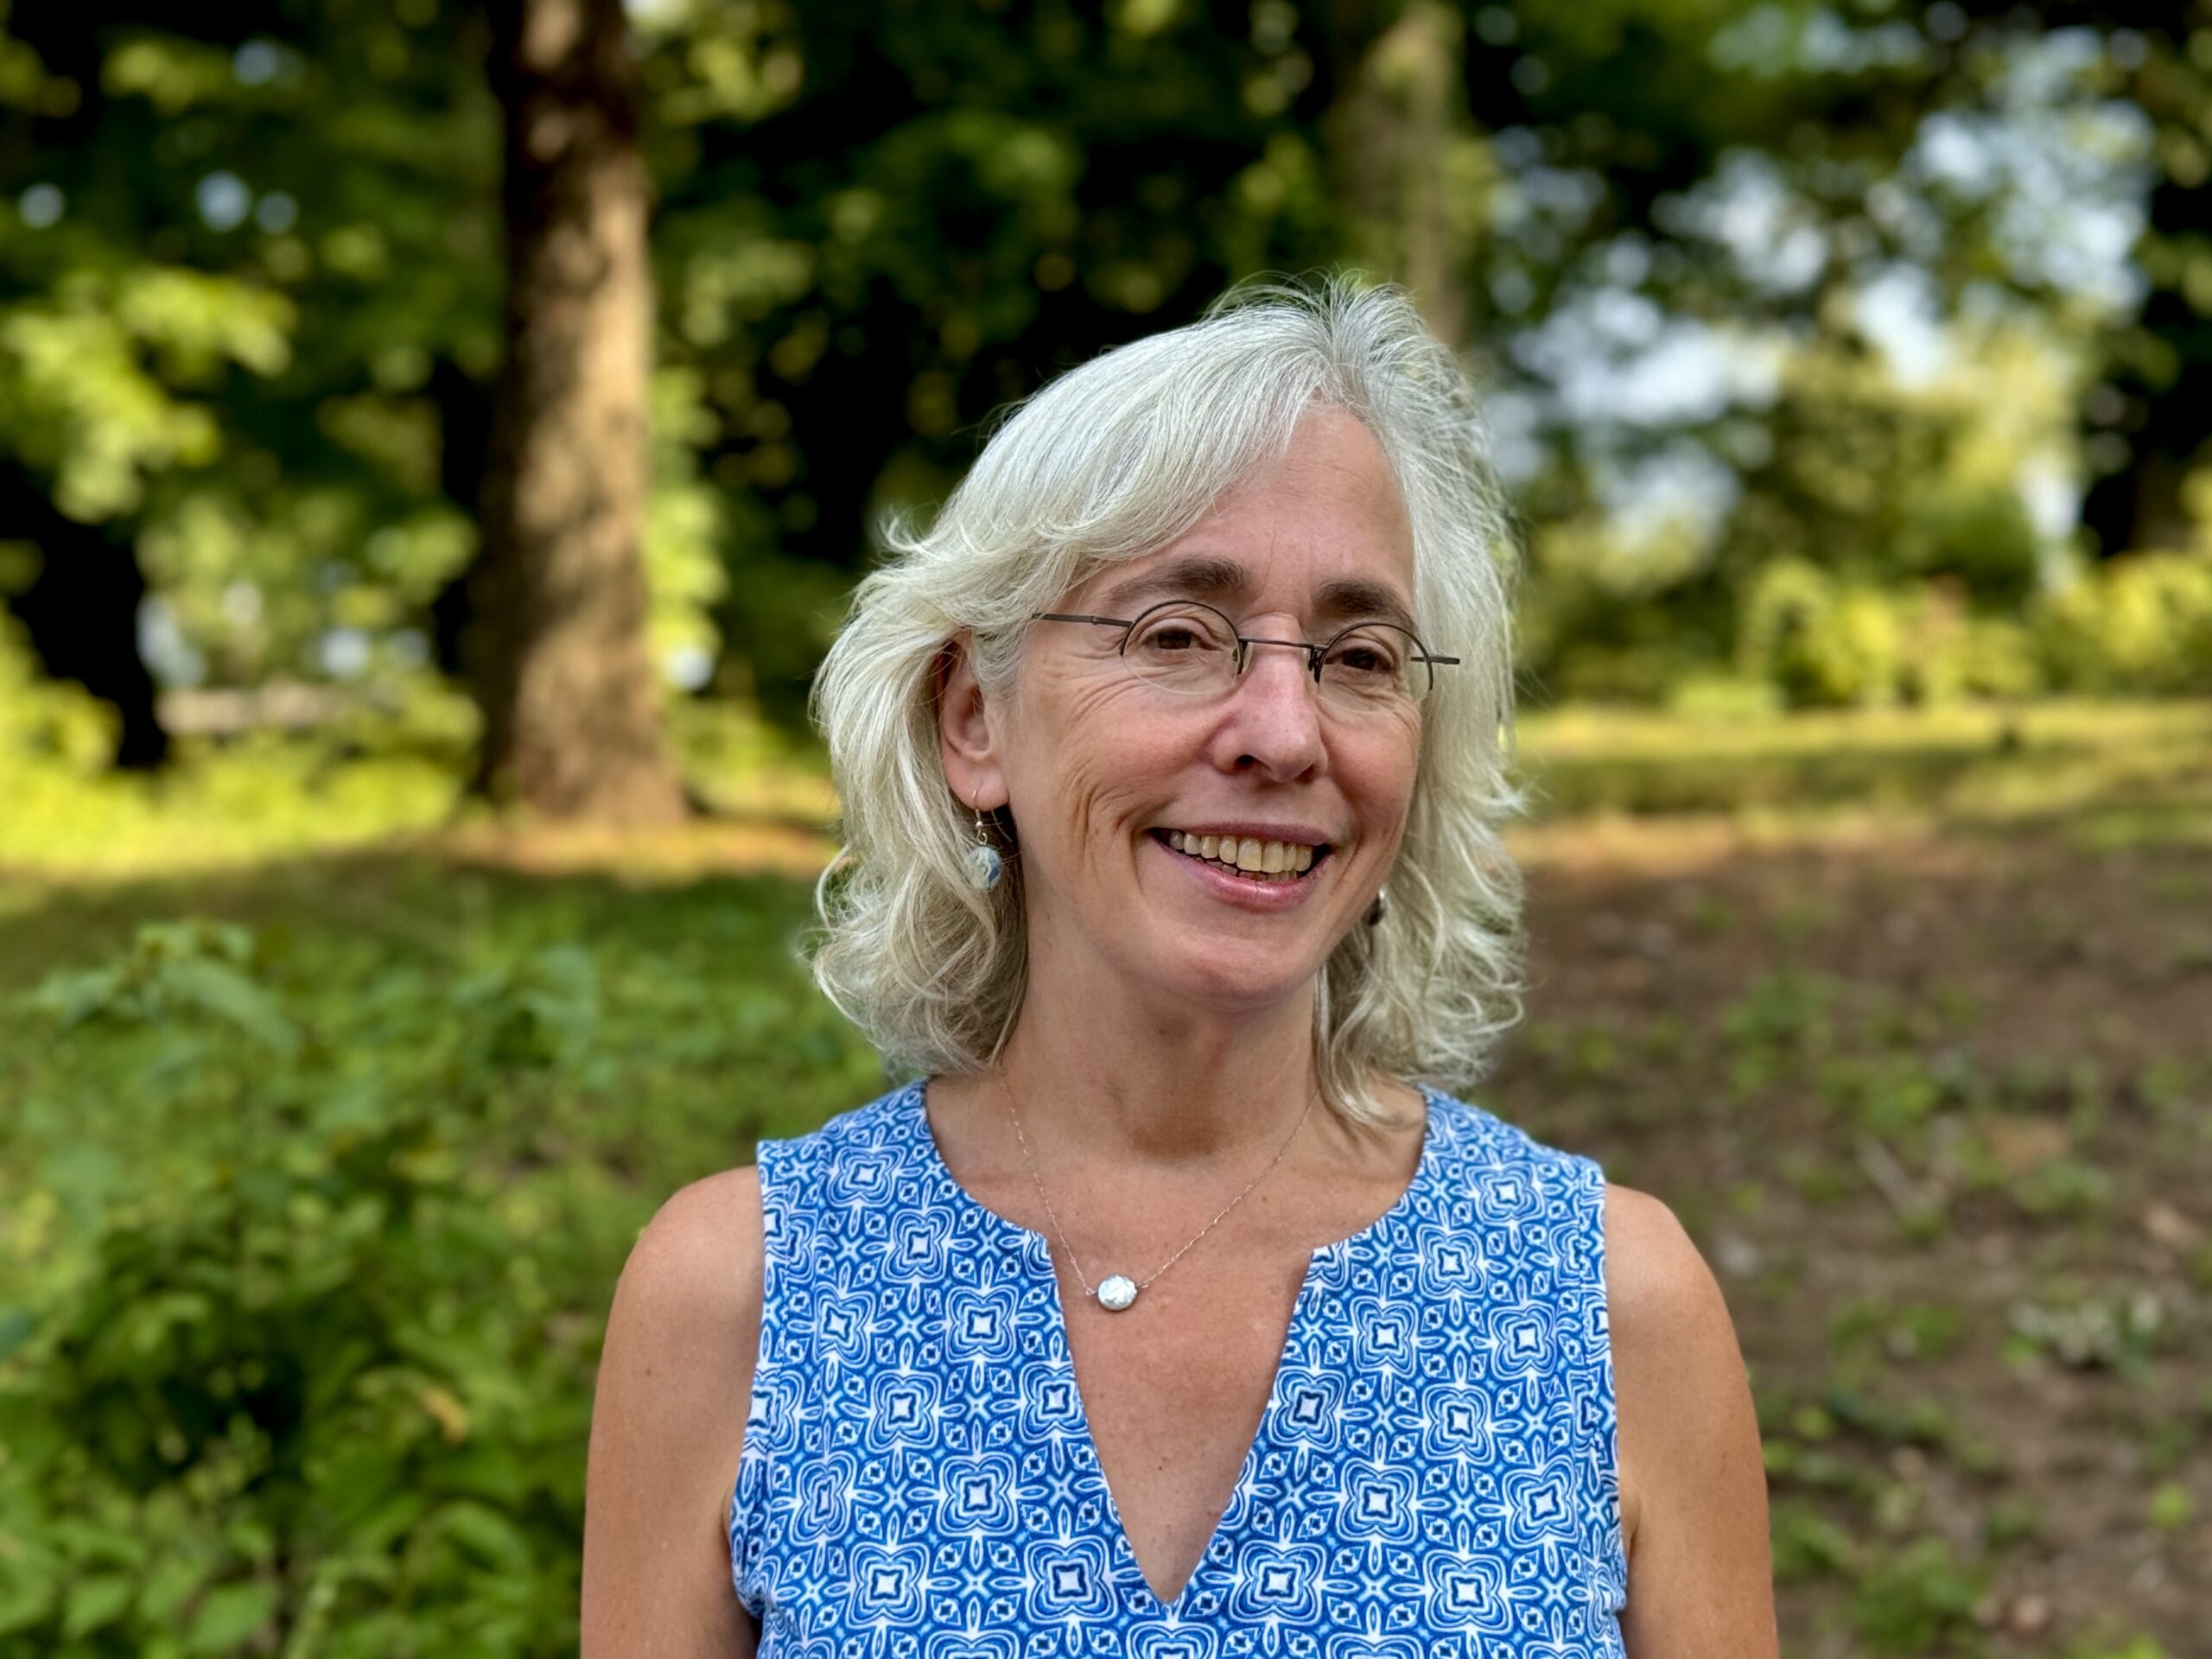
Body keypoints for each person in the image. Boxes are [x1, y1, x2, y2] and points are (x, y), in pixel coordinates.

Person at [580, 278, 1777, 1656]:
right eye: (1177, 636)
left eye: (1360, 655)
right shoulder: (738, 1295)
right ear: (976, 719)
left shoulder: (1612, 1310)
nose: (1284, 730)